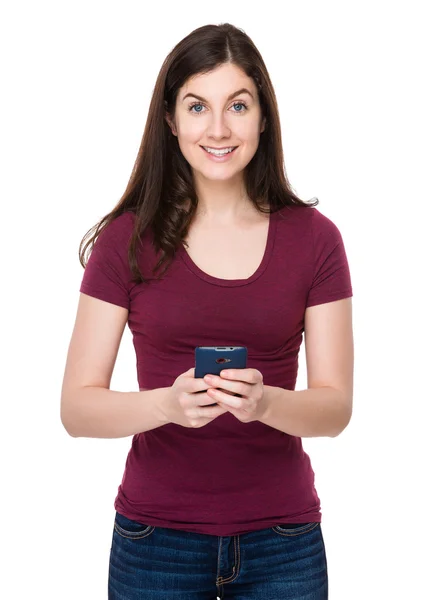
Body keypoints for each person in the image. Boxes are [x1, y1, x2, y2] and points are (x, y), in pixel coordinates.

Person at [60, 22, 354, 600]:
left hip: (284, 540)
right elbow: (76, 409)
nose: (218, 129)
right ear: (171, 121)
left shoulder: (316, 240)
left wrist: (265, 402)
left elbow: (336, 409)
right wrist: (168, 405)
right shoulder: (127, 240)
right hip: (155, 541)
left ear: (263, 116)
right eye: (198, 106)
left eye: (237, 105)